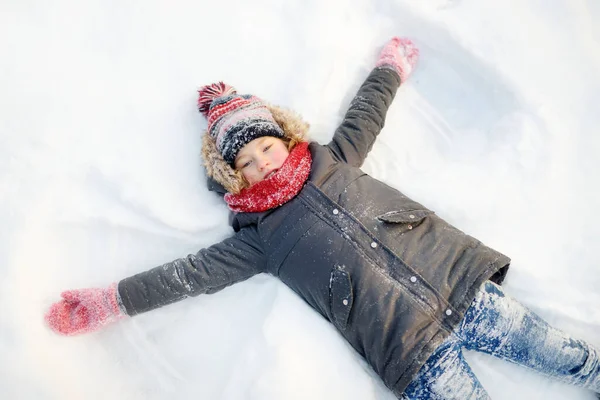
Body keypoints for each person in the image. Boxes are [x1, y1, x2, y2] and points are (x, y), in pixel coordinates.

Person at [45, 37, 600, 400]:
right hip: (408, 348)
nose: (262, 162)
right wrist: (111, 300)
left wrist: (389, 69)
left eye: (265, 147)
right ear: (236, 177)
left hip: (460, 286)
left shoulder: (334, 160)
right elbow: (187, 275)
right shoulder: (258, 239)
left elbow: (368, 113)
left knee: (563, 354)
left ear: (283, 139)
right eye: (246, 162)